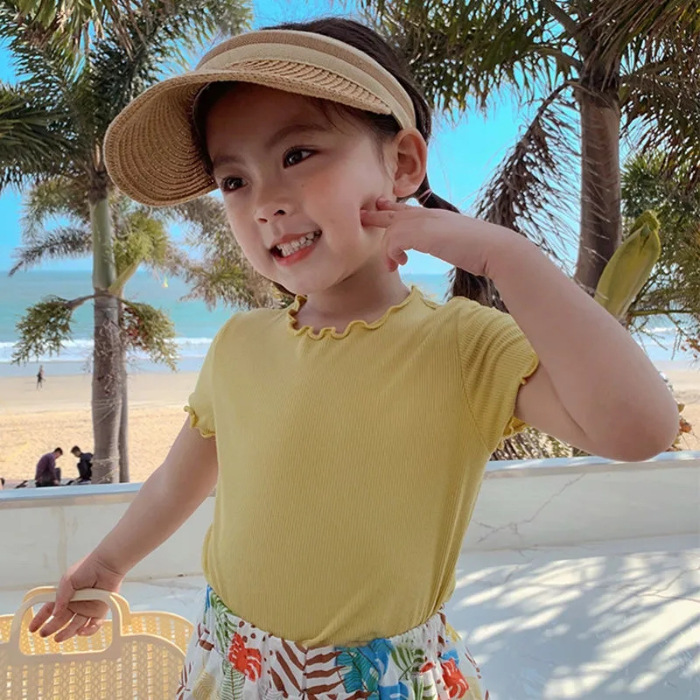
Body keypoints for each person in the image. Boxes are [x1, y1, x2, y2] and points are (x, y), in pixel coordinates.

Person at [28, 20, 679, 699]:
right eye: (234, 180)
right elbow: (176, 482)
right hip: (234, 661)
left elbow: (639, 429)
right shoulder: (240, 344)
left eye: (298, 154)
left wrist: (505, 256)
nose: (265, 203)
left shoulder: (462, 343)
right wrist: (108, 563)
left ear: (402, 165)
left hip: (384, 679)